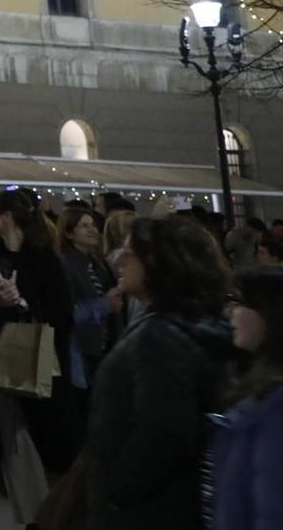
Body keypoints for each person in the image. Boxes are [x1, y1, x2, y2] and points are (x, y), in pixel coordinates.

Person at [79, 215, 236, 530]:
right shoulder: (194, 322)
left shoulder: (158, 336)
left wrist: (117, 488)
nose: (120, 260)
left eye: (129, 252)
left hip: (147, 512)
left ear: (159, 262)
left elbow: (164, 432)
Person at [0, 188, 76, 522]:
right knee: (15, 448)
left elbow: (62, 317)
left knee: (45, 446)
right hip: (3, 365)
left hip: (41, 365)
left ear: (7, 218)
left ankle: (53, 515)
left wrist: (21, 302)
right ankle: (33, 515)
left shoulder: (45, 259)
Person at [211, 266, 283, 527]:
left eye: (238, 302)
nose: (229, 312)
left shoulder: (275, 408)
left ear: (267, 312)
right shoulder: (260, 389)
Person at [58, 205, 115, 409]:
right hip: (81, 349)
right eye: (84, 226)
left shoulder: (98, 264)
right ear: (69, 233)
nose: (92, 230)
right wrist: (104, 305)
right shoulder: (66, 265)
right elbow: (67, 310)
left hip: (100, 345)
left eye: (92, 225)